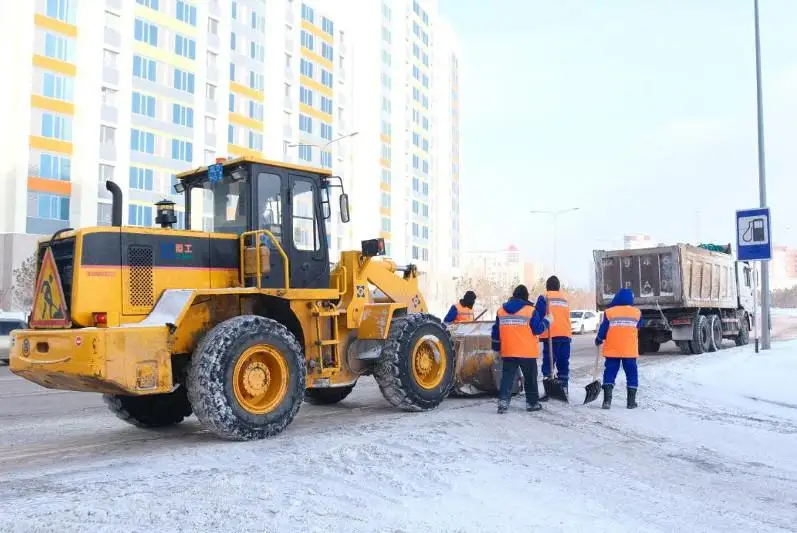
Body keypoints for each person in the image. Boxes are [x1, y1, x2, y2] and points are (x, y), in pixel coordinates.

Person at [491, 284, 552, 414]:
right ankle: (532, 403)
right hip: (526, 352)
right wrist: (547, 321)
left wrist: (496, 349)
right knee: (530, 378)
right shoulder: (530, 310)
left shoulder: (501, 310)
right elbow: (537, 329)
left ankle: (503, 403)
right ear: (525, 296)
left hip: (508, 351)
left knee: (507, 377)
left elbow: (495, 332)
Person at [594, 288, 642, 409]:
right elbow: (639, 326)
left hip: (612, 349)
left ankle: (607, 401)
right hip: (629, 350)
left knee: (609, 373)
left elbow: (604, 328)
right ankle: (631, 403)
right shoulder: (637, 312)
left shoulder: (609, 312)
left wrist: (599, 338)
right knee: (631, 374)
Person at [538, 275, 572, 400]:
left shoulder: (544, 297)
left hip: (551, 335)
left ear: (547, 286)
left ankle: (549, 391)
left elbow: (538, 315)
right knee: (563, 363)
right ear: (558, 287)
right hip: (565, 335)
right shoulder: (564, 298)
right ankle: (564, 390)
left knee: (548, 363)